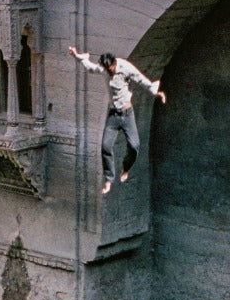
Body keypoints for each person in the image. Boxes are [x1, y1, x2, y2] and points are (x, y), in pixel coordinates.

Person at [68, 45, 166, 194]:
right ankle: (109, 179)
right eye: (107, 70)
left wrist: (155, 92)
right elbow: (91, 68)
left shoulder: (125, 67)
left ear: (114, 63)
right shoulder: (104, 69)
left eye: (111, 70)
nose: (109, 73)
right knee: (105, 146)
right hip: (113, 115)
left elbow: (140, 79)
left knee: (134, 146)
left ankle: (125, 169)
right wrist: (78, 57)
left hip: (127, 114)